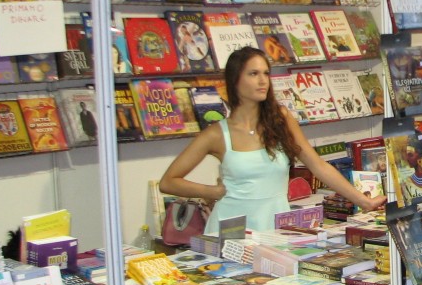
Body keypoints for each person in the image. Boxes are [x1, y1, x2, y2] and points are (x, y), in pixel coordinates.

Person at [159, 46, 386, 234]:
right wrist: (212, 192)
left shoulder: (281, 120)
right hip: (230, 230)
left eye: (266, 73)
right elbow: (168, 182)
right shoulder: (217, 134)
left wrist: (363, 201)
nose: (263, 81)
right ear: (235, 80)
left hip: (276, 227)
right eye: (253, 74)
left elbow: (318, 165)